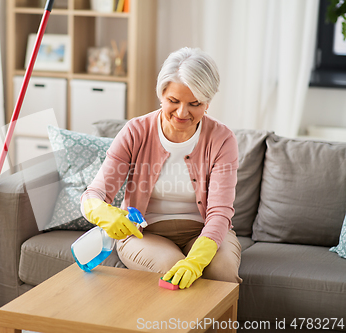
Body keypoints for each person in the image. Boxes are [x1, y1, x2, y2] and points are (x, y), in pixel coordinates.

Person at [80, 47, 242, 289]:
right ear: (161, 94)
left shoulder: (222, 139)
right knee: (172, 269)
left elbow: (220, 213)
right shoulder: (135, 132)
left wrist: (196, 261)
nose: (182, 113)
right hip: (146, 233)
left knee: (222, 273)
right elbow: (93, 195)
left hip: (205, 231)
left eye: (195, 103)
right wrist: (104, 213)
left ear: (207, 102)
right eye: (173, 101)